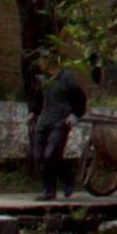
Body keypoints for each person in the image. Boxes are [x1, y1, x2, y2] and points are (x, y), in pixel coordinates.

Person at [29, 58, 88, 201]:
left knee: (51, 154)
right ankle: (48, 190)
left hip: (60, 120)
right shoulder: (43, 79)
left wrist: (74, 115)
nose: (39, 64)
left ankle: (67, 178)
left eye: (42, 61)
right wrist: (33, 112)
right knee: (38, 154)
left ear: (50, 62)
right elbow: (39, 98)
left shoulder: (66, 78)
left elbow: (80, 98)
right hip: (45, 120)